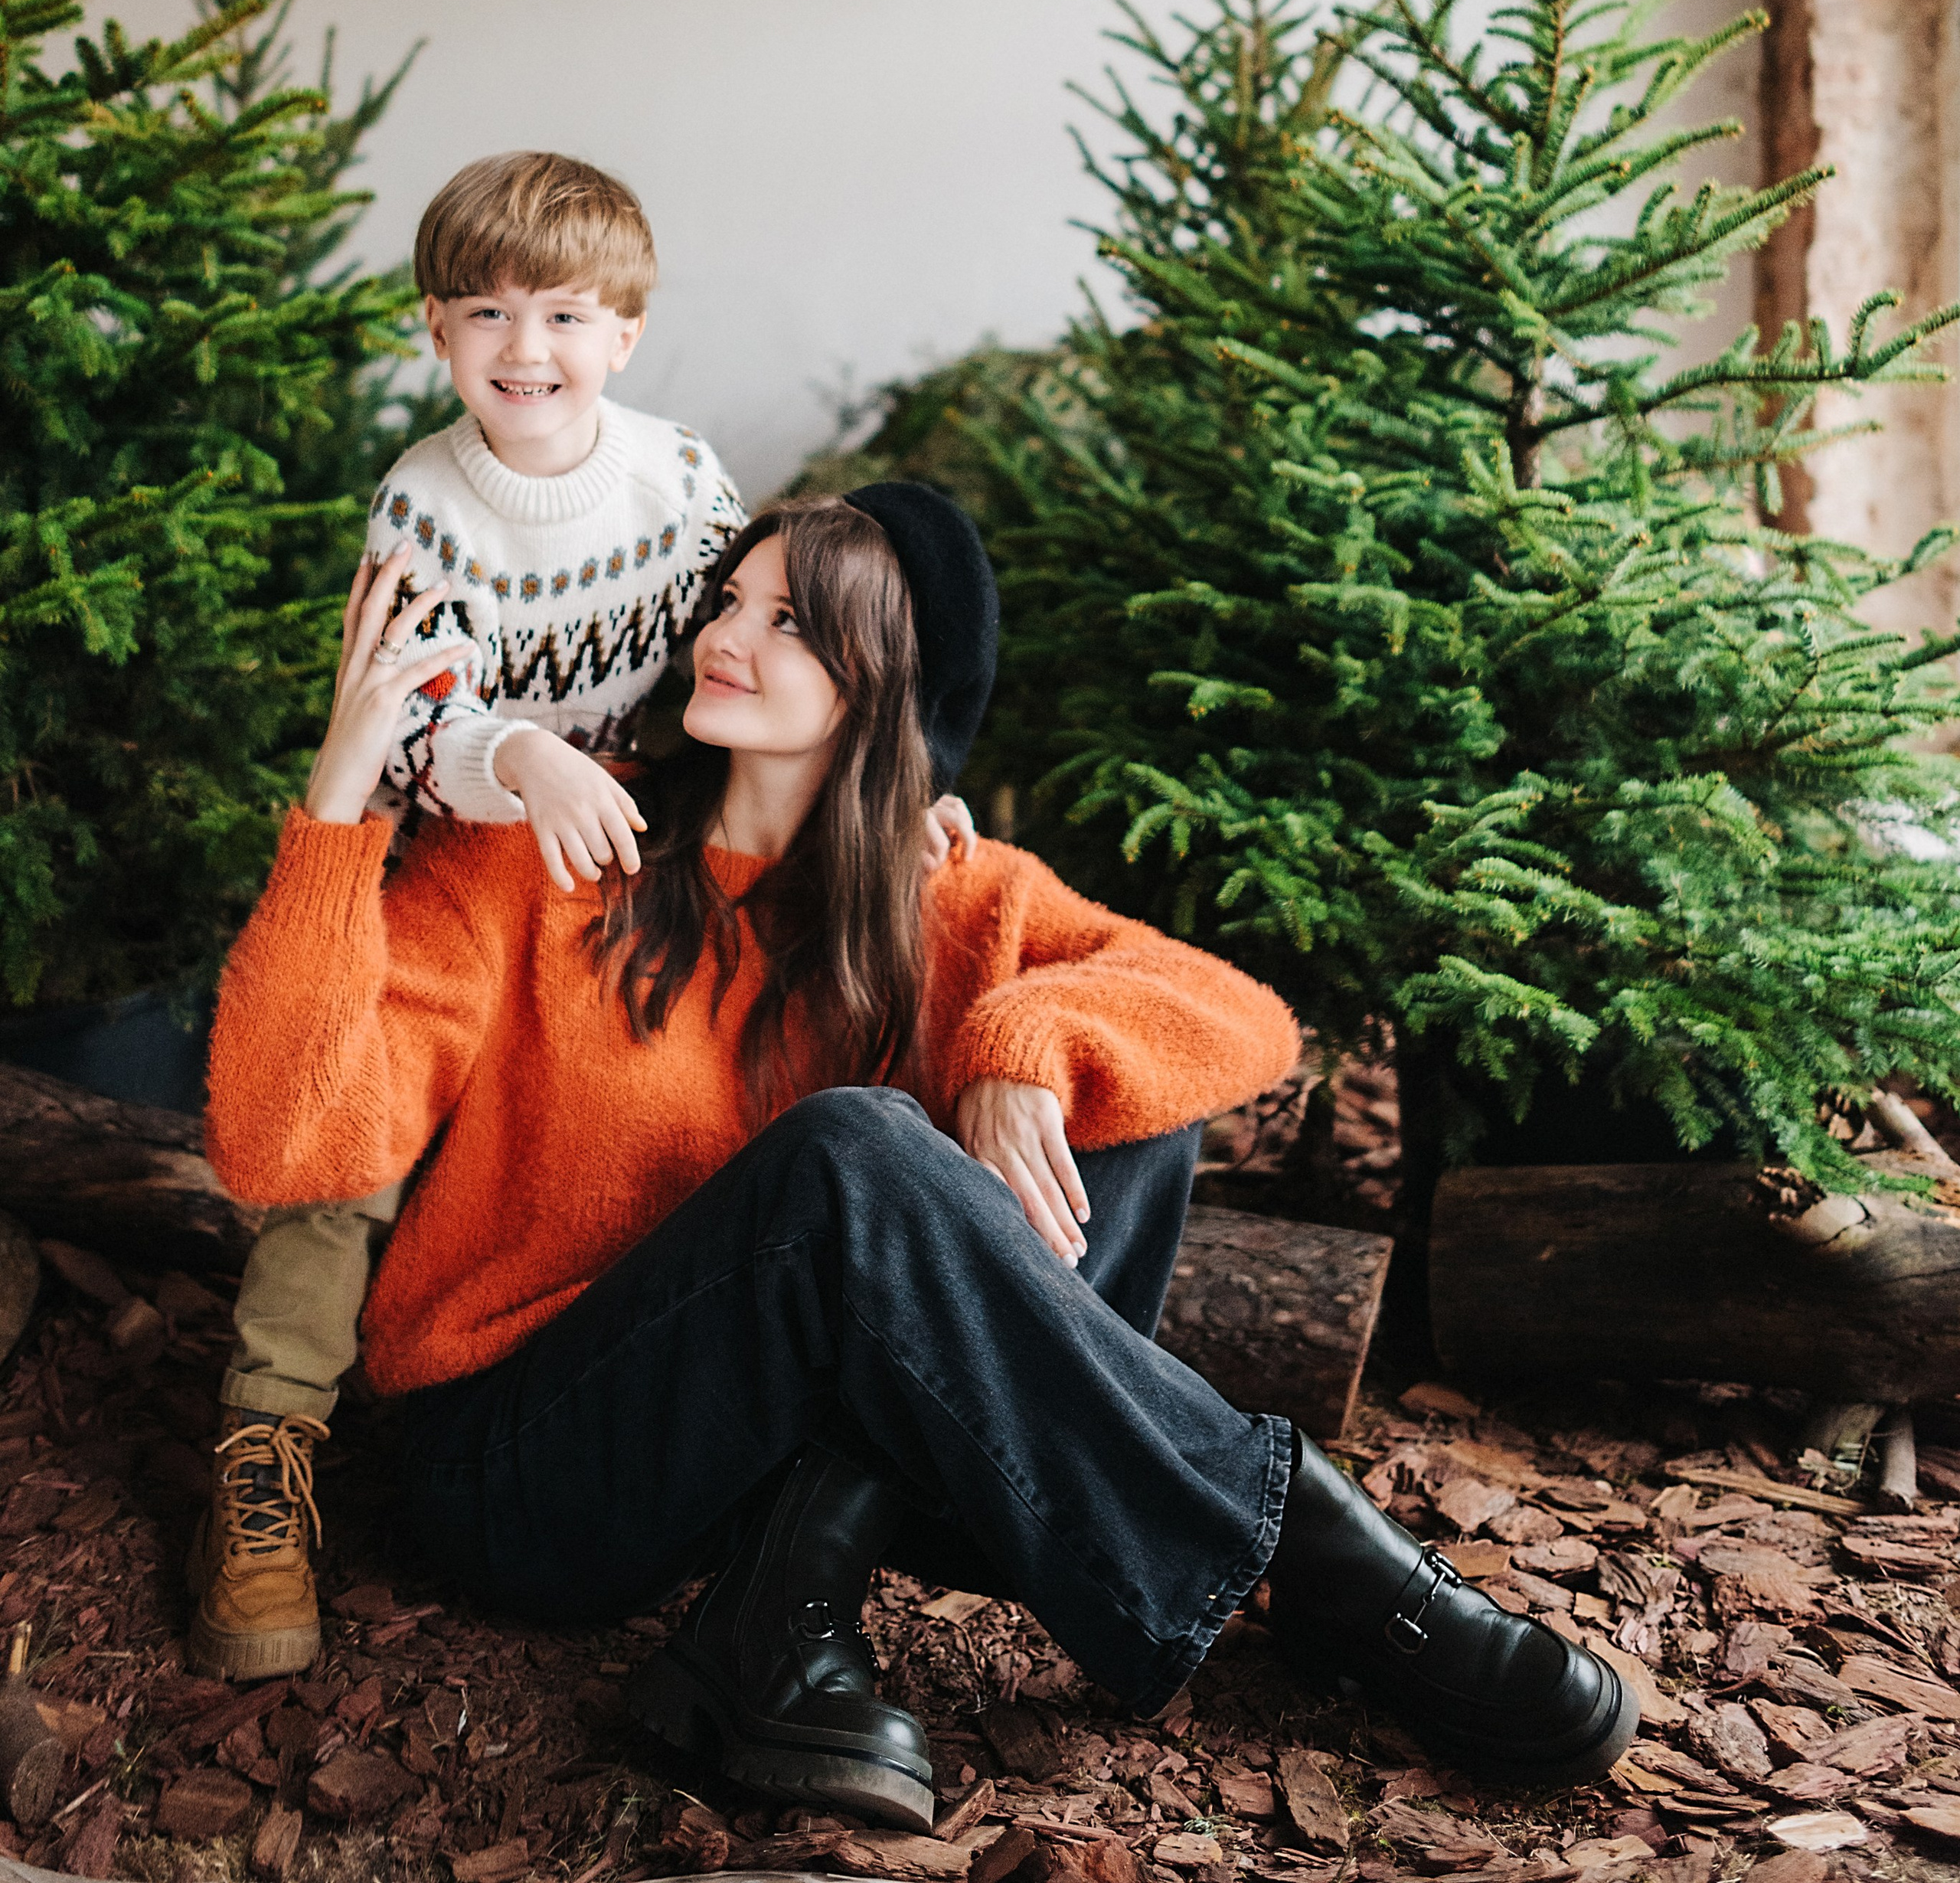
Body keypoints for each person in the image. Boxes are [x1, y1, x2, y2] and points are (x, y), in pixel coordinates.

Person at [204, 489, 1638, 1811]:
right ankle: (1310, 1553)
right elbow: (284, 1142)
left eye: (787, 620)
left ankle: (779, 1608)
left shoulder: (948, 893)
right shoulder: (551, 851)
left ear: (879, 686)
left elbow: (1240, 1021)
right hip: (524, 1461)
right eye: (729, 602)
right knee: (858, 1148)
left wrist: (1019, 1051)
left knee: (1114, 1101)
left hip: (750, 1471)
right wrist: (341, 800)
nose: (723, 637)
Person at [188, 153, 969, 1680]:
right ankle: (265, 1432)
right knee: (352, 1153)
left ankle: (687, 1375)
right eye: (483, 310)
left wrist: (890, 789)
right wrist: (515, 753)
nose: (521, 346)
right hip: (470, 839)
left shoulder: (677, 476)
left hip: (650, 828)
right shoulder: (427, 501)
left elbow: (762, 640)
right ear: (432, 328)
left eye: (560, 312)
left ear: (623, 329)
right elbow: (403, 712)